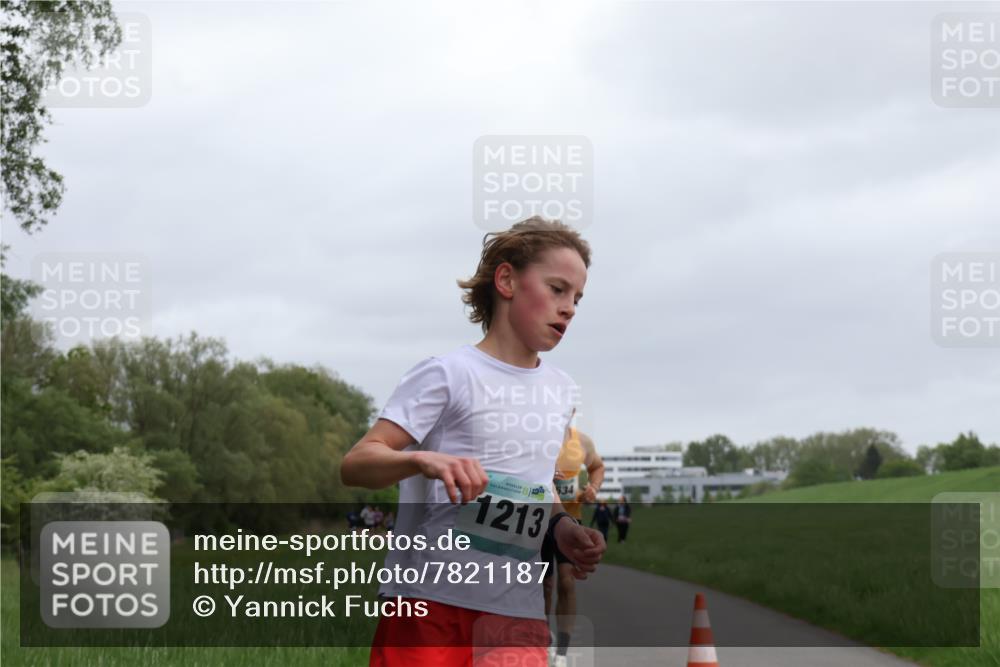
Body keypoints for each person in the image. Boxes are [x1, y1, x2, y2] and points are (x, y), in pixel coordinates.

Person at [340, 217, 607, 667]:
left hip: (517, 615)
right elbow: (357, 463)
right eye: (557, 289)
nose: (569, 309)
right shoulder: (448, 373)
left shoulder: (561, 391)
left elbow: (536, 486)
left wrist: (563, 528)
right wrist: (423, 461)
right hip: (431, 605)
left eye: (577, 298)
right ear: (507, 281)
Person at [542, 420, 604, 667]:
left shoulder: (582, 442)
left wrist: (593, 488)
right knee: (545, 584)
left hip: (571, 519)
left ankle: (562, 651)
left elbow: (597, 466)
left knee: (567, 581)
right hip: (541, 518)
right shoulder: (540, 436)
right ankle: (543, 641)